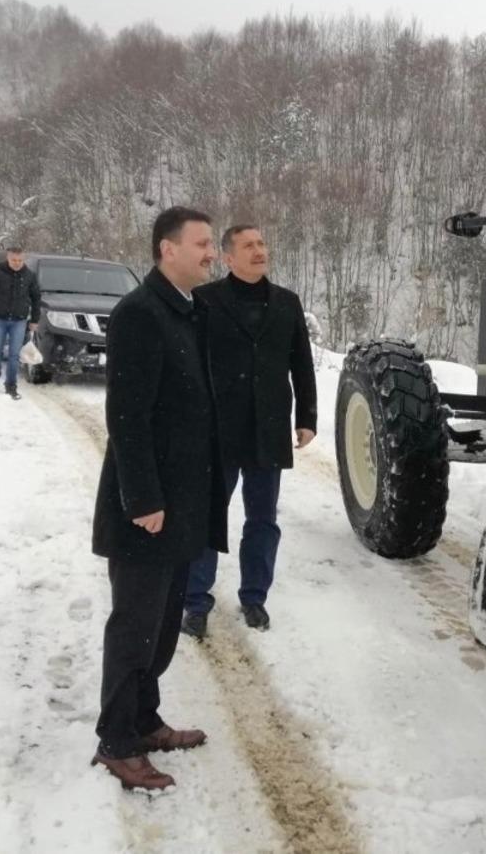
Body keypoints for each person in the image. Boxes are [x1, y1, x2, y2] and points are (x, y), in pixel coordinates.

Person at [90, 206, 228, 792]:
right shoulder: (140, 314)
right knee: (136, 626)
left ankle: (145, 721)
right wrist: (142, 497)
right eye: (201, 244)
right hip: (148, 508)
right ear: (166, 250)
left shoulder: (188, 312)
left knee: (164, 624)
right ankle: (117, 741)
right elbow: (127, 415)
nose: (211, 254)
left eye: (212, 245)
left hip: (185, 503)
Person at [181, 224, 317, 637]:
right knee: (208, 516)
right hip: (217, 429)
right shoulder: (204, 301)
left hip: (268, 428)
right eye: (248, 246)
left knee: (263, 518)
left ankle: (254, 596)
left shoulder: (287, 303)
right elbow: (187, 365)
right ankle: (196, 600)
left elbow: (302, 363)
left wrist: (307, 417)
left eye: (261, 243)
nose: (259, 251)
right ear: (228, 257)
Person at [0, 245, 40, 400]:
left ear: (23, 259)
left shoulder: (29, 276)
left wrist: (34, 320)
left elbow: (36, 298)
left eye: (20, 260)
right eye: (14, 260)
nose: (17, 263)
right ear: (8, 258)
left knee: (14, 356)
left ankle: (11, 386)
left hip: (19, 321)